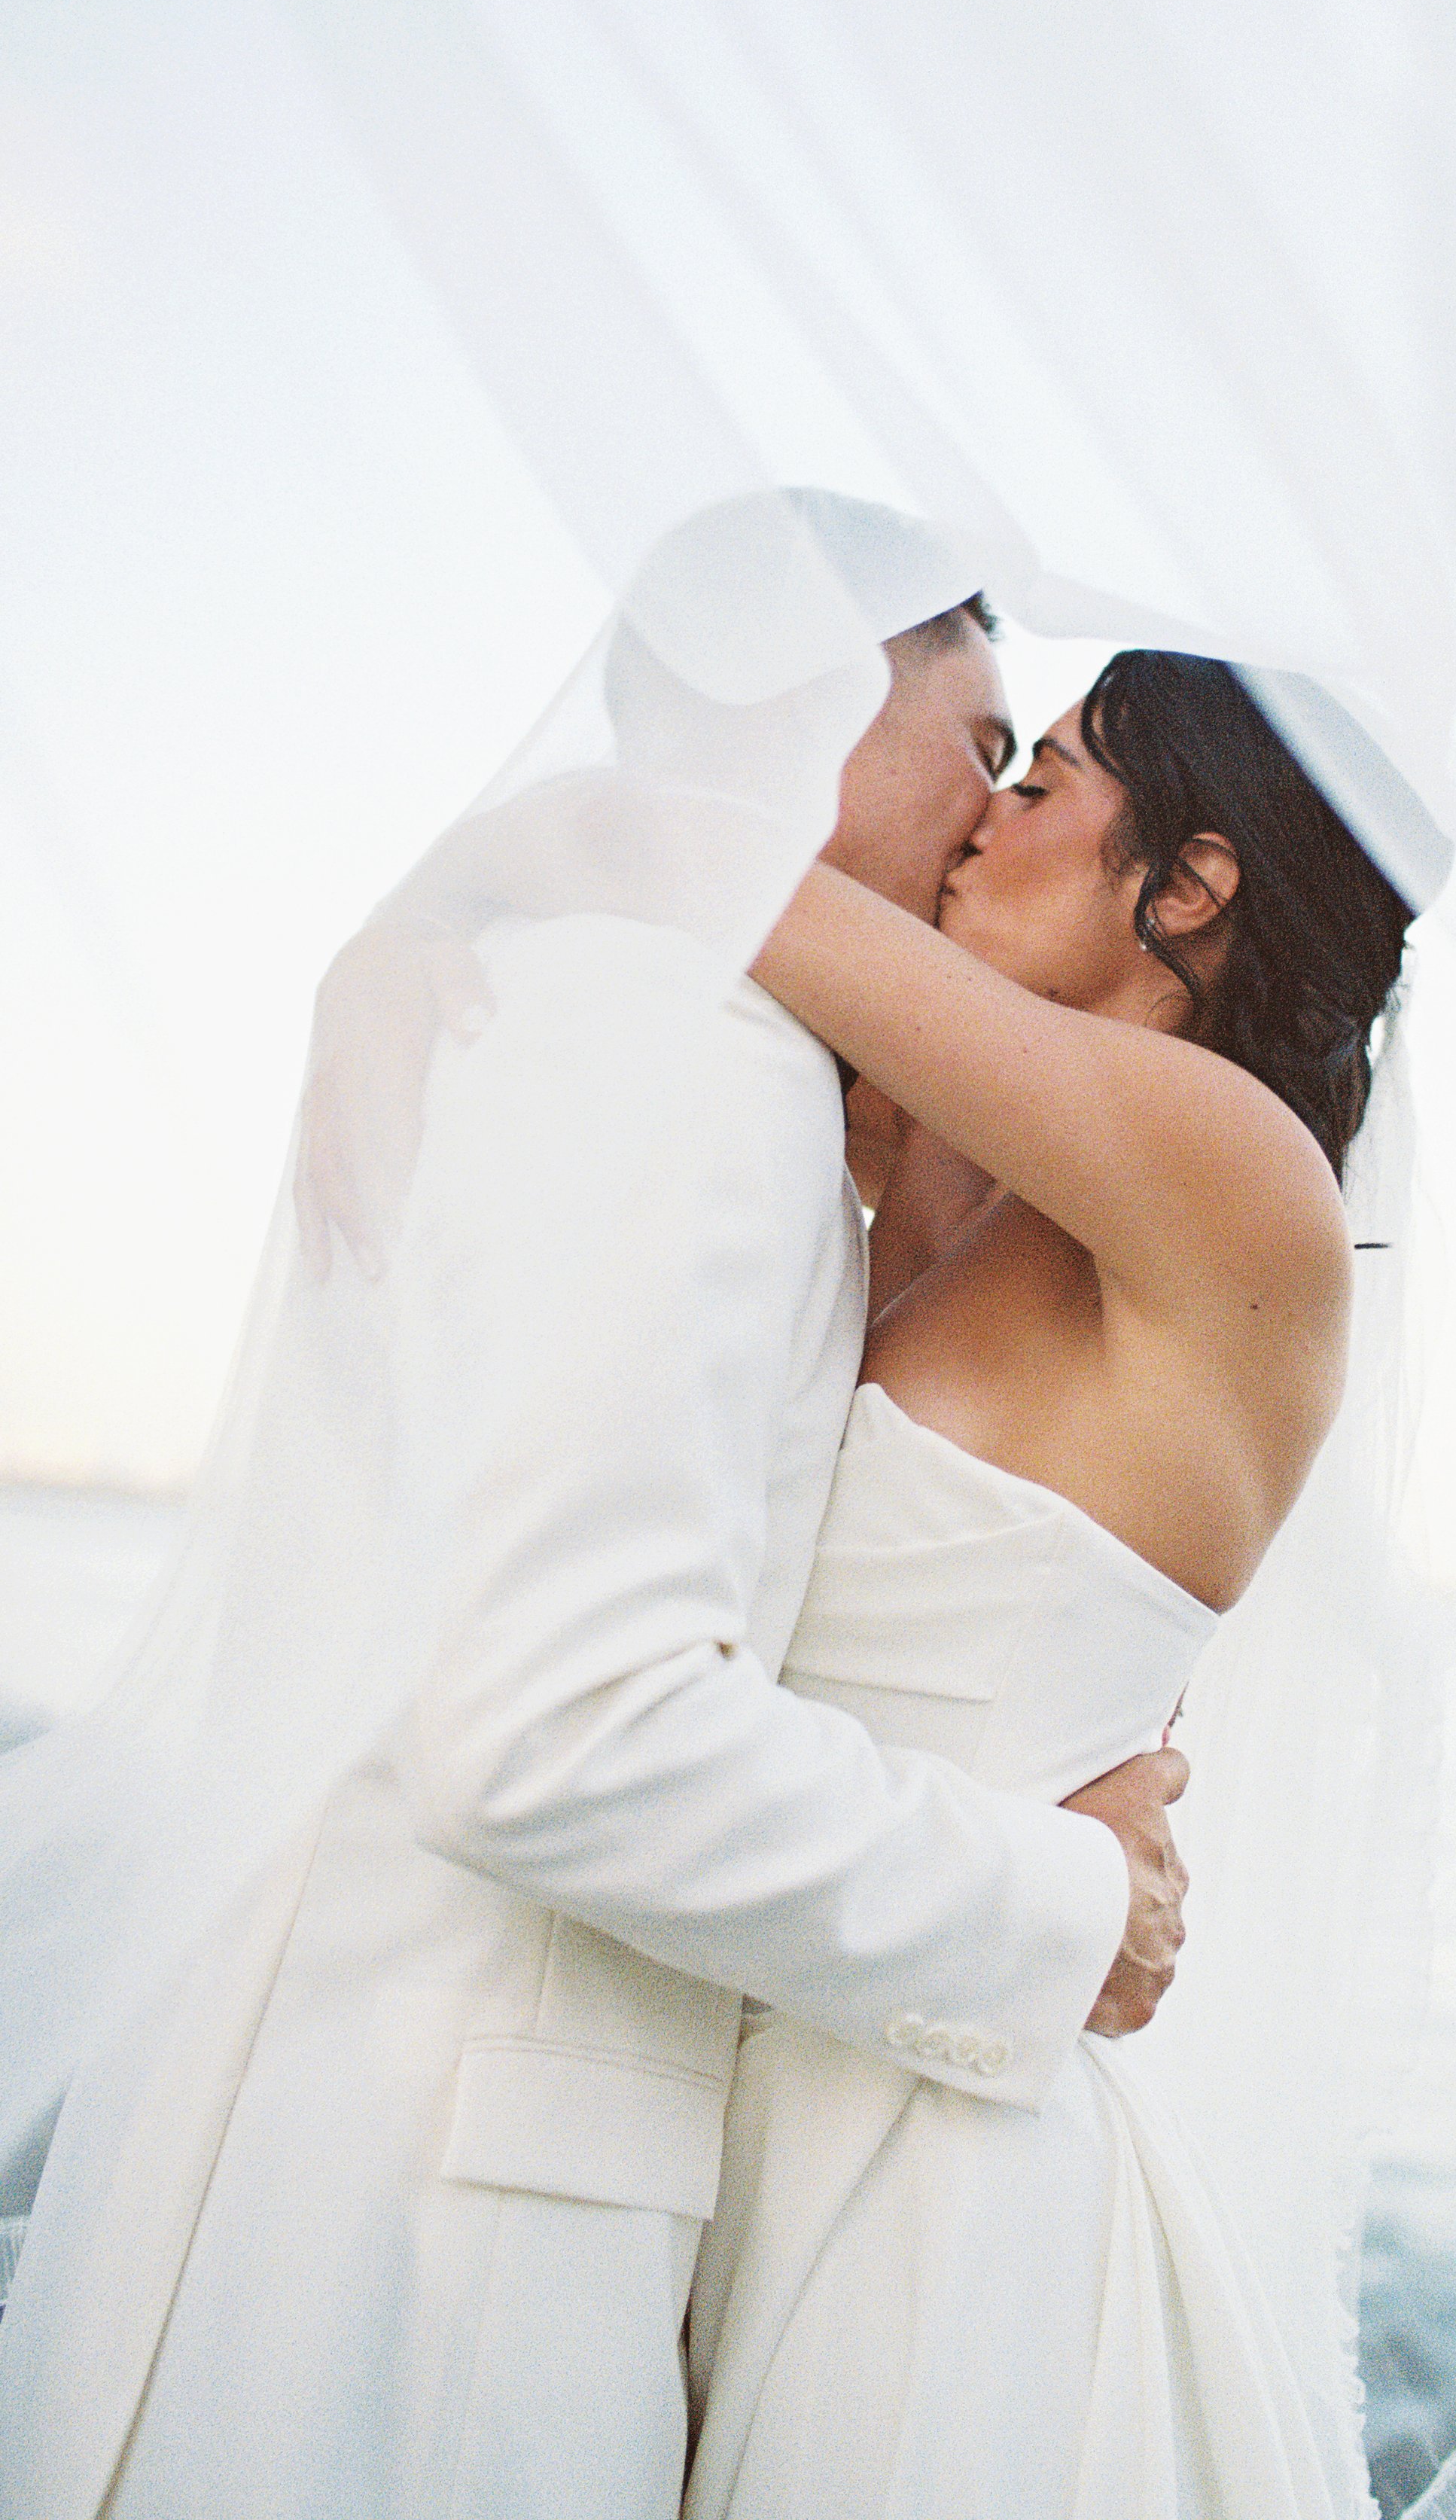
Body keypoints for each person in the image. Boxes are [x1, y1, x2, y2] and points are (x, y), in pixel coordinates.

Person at [0, 510, 1190, 2520]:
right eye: (975, 746)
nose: (989, 820)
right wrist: (1059, 1899)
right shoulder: (677, 1051)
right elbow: (557, 1735)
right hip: (434, 2278)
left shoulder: (574, 1007)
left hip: (346, 2189)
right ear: (804, 710)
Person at [683, 645, 1414, 2518]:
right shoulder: (959, 1181)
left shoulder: (1232, 1168)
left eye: (1044, 774)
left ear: (1189, 883)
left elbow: (725, 872)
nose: (984, 813)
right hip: (755, 2049)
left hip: (933, 2186)